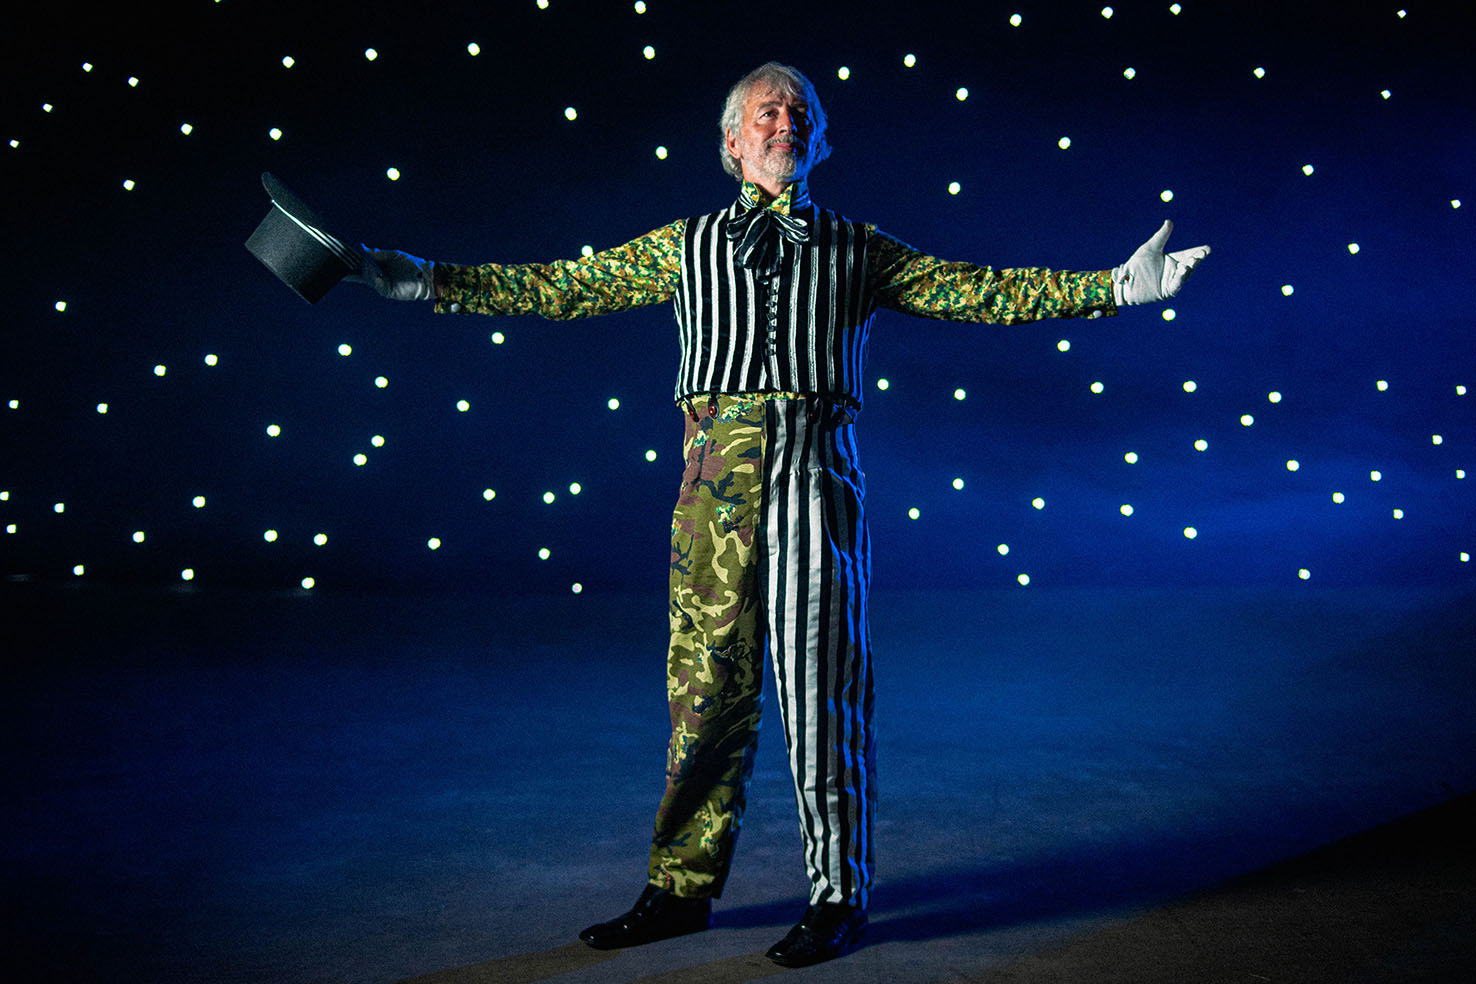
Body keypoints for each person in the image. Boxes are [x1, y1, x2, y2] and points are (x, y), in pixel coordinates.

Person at [348, 61, 1209, 968]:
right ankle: (679, 889)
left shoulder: (857, 246)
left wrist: (1117, 286)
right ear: (733, 140)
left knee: (820, 694)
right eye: (767, 111)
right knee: (703, 694)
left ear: (821, 140)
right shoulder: (683, 245)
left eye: (801, 112)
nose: (785, 121)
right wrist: (423, 281)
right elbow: (561, 284)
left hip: (813, 479)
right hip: (712, 486)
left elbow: (978, 290)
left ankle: (838, 895)